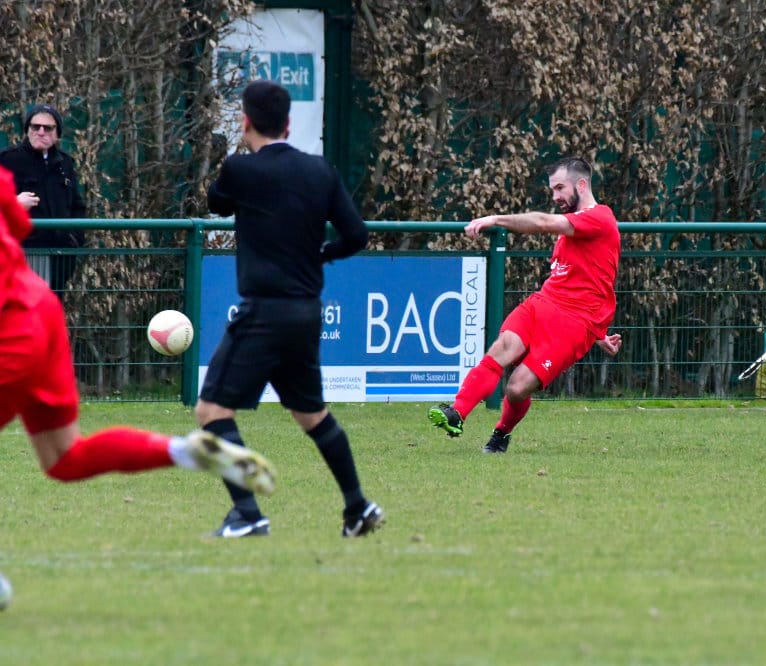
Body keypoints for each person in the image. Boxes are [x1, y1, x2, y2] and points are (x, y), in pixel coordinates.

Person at [0, 163, 276, 609]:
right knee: (64, 458)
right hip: (39, 308)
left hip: (9, 325)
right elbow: (17, 223)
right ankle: (184, 451)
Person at [198, 80, 384, 538]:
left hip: (264, 312)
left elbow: (216, 202)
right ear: (287, 123)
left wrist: (232, 163)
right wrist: (321, 254)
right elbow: (357, 235)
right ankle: (357, 507)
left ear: (245, 121)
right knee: (311, 416)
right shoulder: (319, 171)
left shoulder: (240, 170)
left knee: (211, 412)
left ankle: (247, 514)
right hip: (305, 313)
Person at [428, 156, 623, 452]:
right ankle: (457, 412)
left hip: (572, 324)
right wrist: (599, 334)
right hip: (543, 303)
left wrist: (496, 219)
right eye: (552, 189)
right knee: (501, 349)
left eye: (560, 188)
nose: (555, 196)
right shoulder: (572, 229)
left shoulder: (600, 217)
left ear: (582, 185)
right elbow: (583, 278)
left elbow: (544, 223)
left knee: (517, 388)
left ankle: (501, 434)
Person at [0, 104, 86, 296]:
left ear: (57, 134)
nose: (40, 132)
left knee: (52, 306)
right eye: (35, 126)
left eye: (48, 128)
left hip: (60, 256)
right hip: (24, 254)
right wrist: (14, 203)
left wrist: (74, 239)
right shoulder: (7, 160)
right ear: (27, 129)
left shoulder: (65, 163)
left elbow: (77, 206)